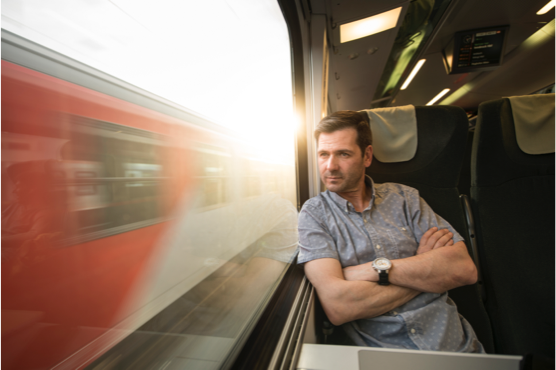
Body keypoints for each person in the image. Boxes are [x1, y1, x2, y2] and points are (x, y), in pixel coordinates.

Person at [298, 110, 484, 352]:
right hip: (387, 358)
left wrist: (372, 270)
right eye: (323, 154)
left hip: (458, 349)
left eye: (343, 154)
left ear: (367, 156)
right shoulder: (314, 215)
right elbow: (338, 306)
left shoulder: (405, 198)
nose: (330, 166)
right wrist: (424, 269)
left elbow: (463, 270)